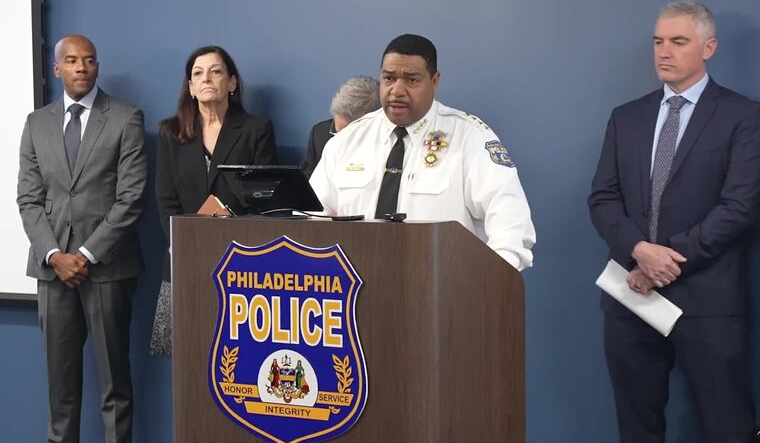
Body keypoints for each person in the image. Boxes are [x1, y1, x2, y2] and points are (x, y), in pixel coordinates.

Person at [588, 0, 760, 443]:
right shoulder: (626, 118)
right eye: (658, 41)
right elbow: (603, 198)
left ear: (709, 47)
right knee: (637, 437)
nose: (664, 51)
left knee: (731, 438)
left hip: (709, 302)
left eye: (678, 42)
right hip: (631, 299)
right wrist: (640, 253)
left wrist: (666, 261)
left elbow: (740, 207)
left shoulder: (743, 117)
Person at [17, 34, 147, 443]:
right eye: (71, 61)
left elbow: (131, 198)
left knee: (115, 379)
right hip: (52, 271)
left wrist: (86, 254)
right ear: (57, 69)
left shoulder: (126, 118)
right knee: (61, 380)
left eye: (89, 60)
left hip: (107, 267)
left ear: (97, 66)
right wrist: (54, 255)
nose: (81, 67)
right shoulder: (36, 123)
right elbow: (29, 199)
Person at [309, 34, 535, 270]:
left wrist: (494, 278)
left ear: (434, 81)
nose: (397, 90)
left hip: (443, 285)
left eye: (411, 80)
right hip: (356, 285)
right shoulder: (347, 140)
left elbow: (510, 221)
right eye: (389, 78)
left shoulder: (470, 138)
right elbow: (311, 218)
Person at [152, 46, 278, 358]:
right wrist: (181, 242)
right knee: (186, 357)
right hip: (184, 258)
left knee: (237, 358)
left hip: (240, 261)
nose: (206, 78)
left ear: (232, 83)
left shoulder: (256, 129)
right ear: (191, 87)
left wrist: (231, 218)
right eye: (198, 73)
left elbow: (265, 198)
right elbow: (166, 199)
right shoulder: (170, 132)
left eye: (216, 71)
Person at [301, 76, 380, 178]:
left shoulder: (389, 145)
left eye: (346, 133)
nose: (338, 139)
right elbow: (308, 181)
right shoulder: (319, 134)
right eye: (336, 131)